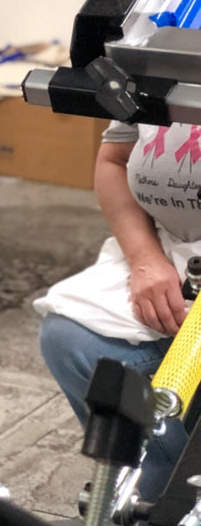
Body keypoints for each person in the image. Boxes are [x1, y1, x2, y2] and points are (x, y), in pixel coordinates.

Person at [35, 120, 201, 504]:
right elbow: (114, 158)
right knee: (72, 341)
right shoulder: (157, 61)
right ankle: (159, 494)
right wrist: (145, 259)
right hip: (173, 251)